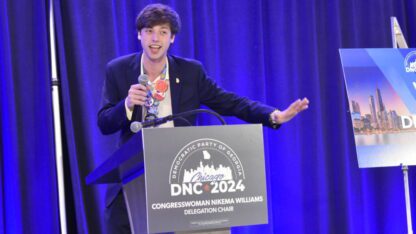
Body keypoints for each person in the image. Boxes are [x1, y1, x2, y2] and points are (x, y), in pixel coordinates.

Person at [97, 3, 309, 233]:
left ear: (172, 38)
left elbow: (229, 102)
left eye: (163, 32)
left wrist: (273, 115)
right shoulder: (118, 70)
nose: (155, 38)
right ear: (139, 34)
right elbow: (105, 123)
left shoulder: (190, 73)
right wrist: (126, 104)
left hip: (176, 178)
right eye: (149, 31)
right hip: (134, 177)